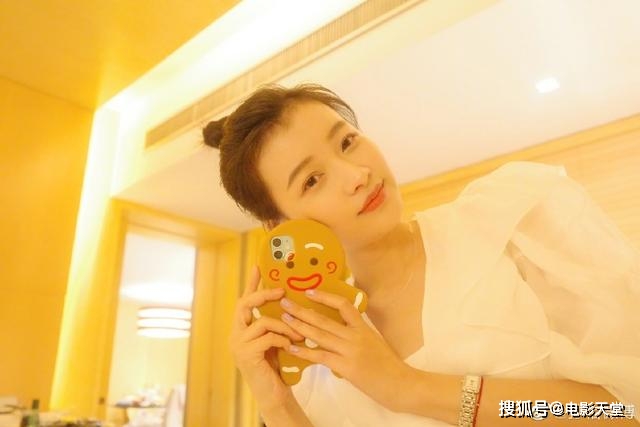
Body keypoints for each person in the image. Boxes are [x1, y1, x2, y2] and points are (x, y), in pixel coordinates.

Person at [203, 83, 640, 426]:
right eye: (312, 181)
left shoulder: (510, 223)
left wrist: (409, 389)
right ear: (279, 228)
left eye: (347, 142)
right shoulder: (311, 348)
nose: (357, 175)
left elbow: (620, 411)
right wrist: (276, 405)